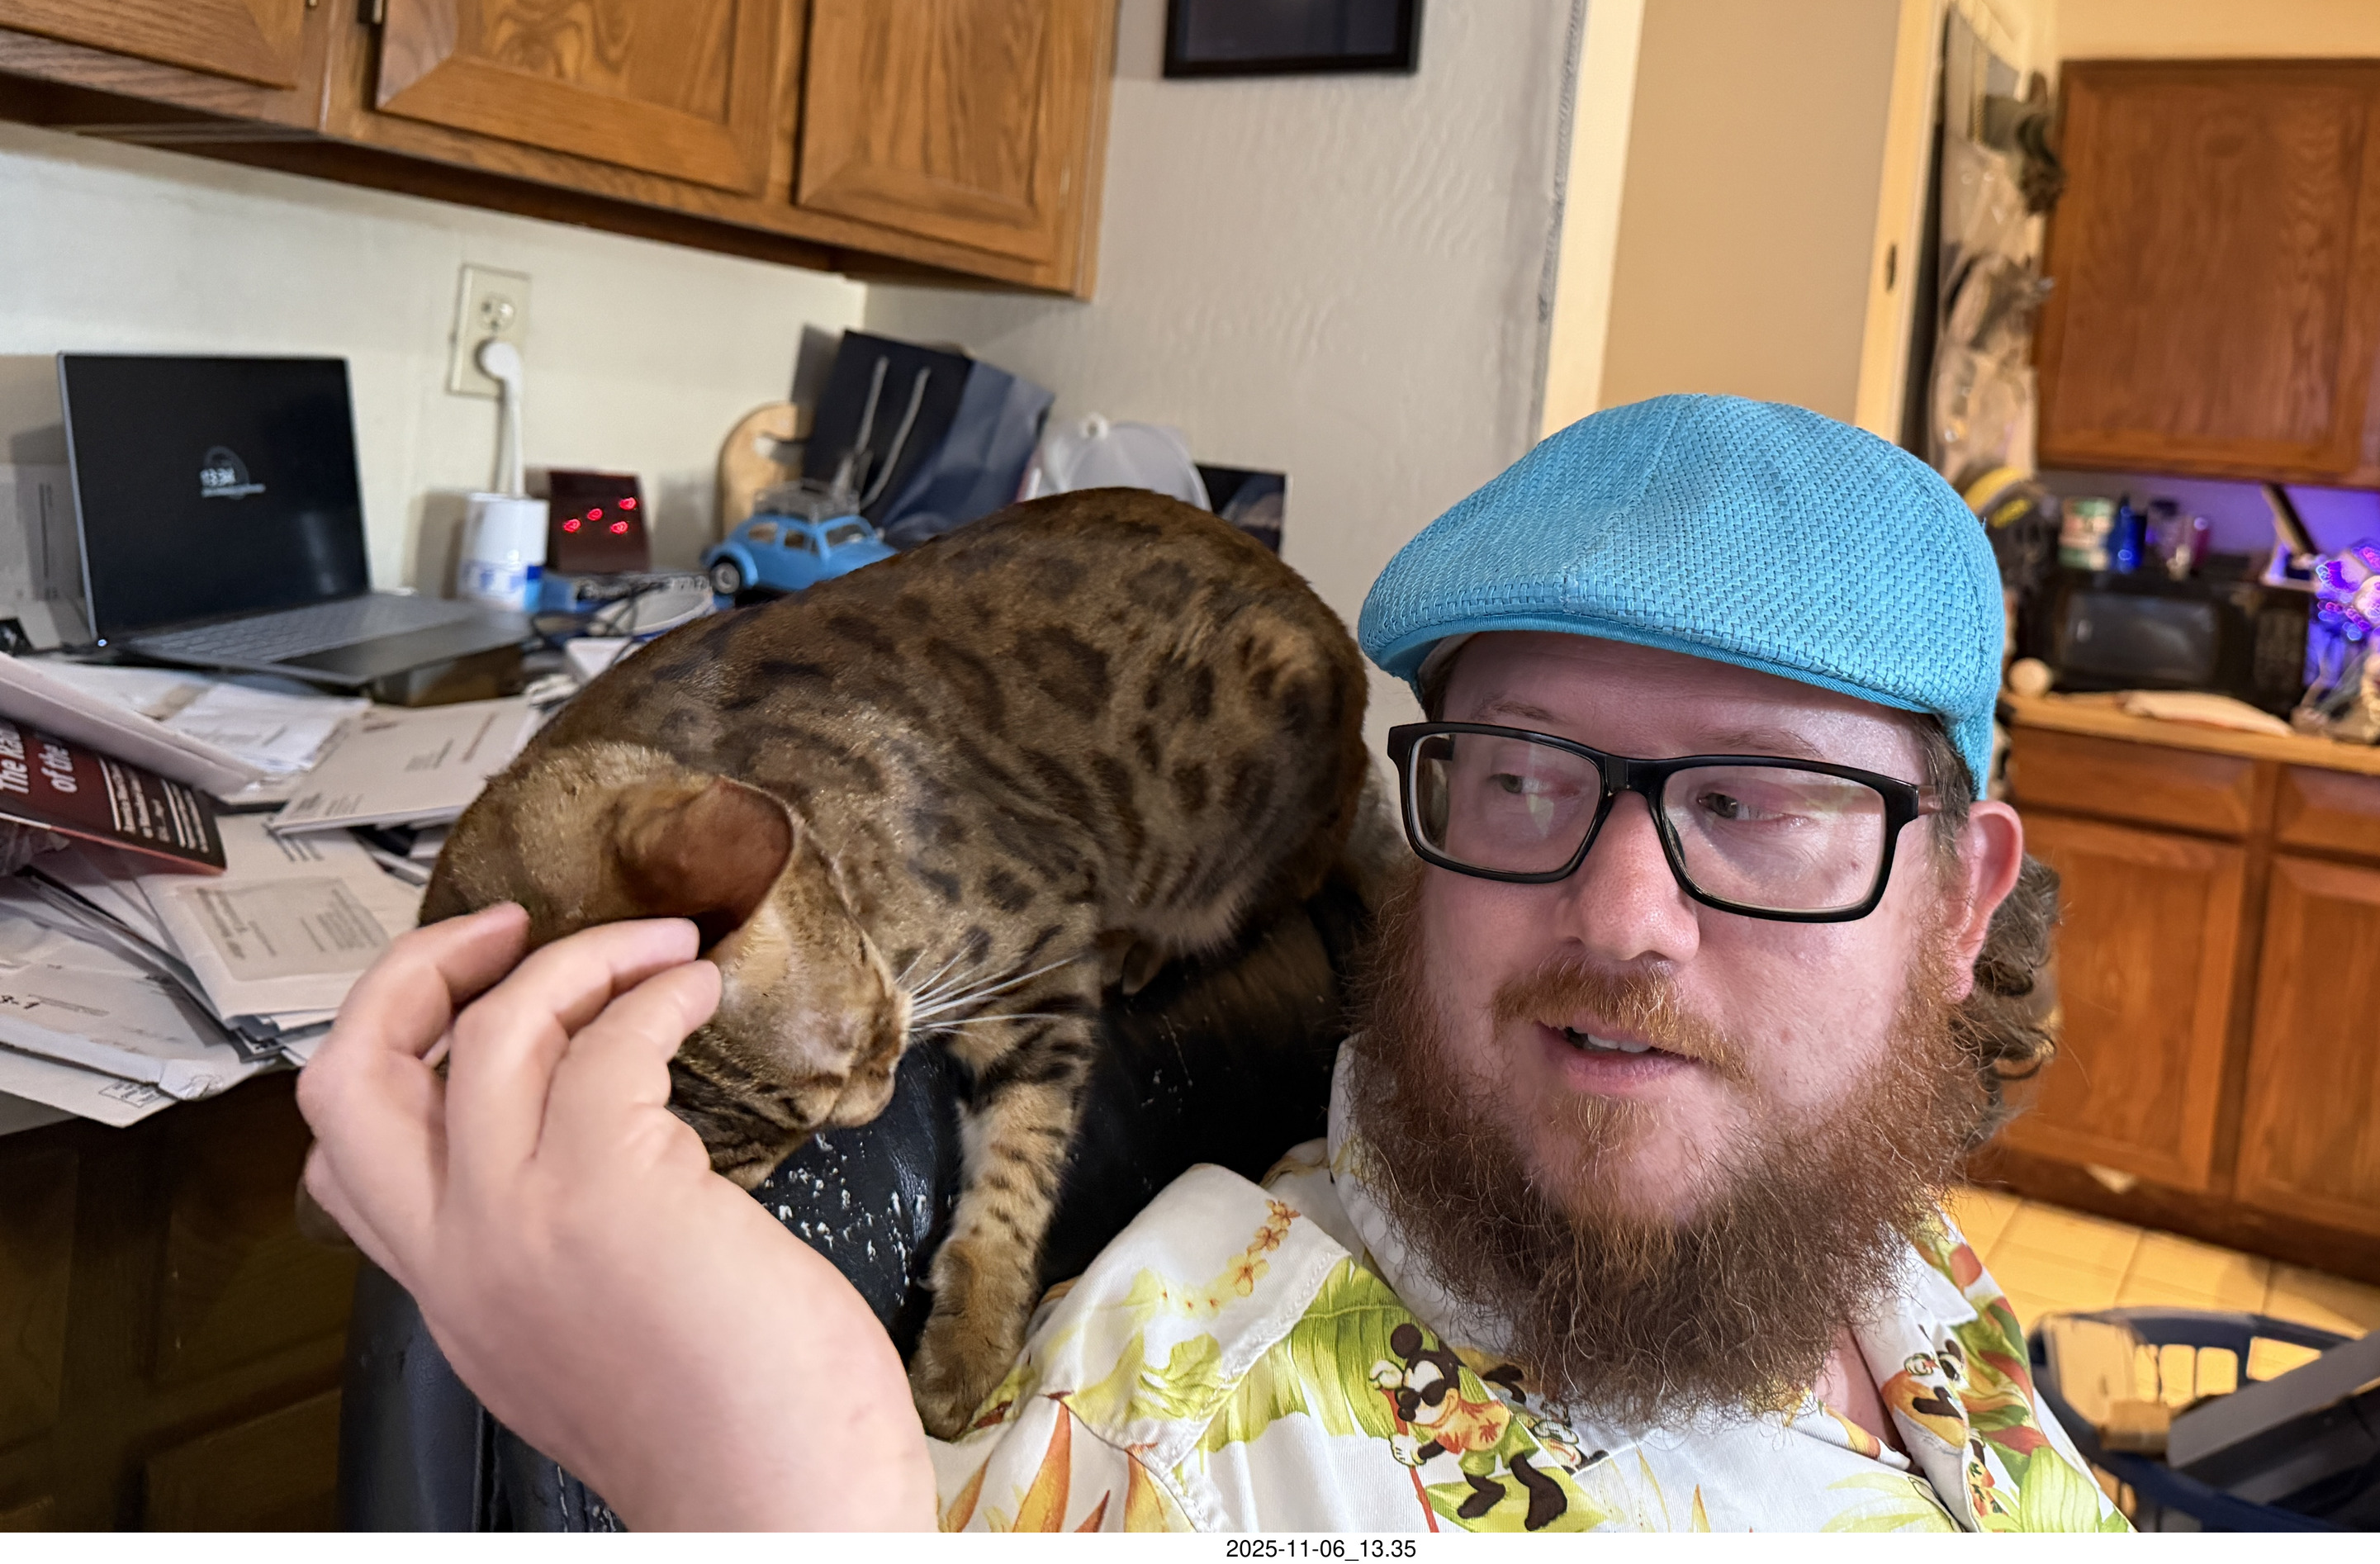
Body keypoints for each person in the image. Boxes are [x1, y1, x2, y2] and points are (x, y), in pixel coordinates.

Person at [298, 395, 2126, 1533]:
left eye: (1761, 804)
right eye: (1522, 777)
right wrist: (785, 1503)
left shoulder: (1866, 1237)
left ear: (1963, 904)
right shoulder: (1189, 1447)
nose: (1622, 916)